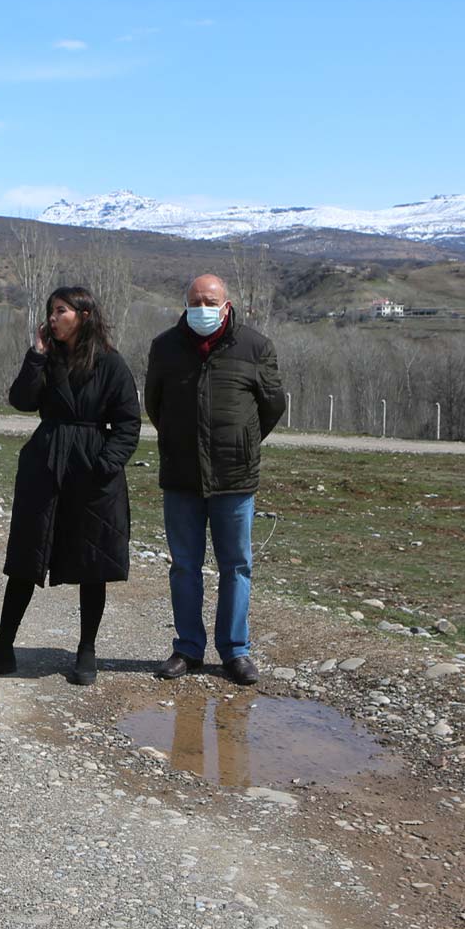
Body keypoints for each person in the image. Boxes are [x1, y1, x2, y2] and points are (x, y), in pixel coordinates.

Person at [0, 285, 140, 685]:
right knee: (26, 556)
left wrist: (105, 464)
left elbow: (128, 422)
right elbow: (21, 400)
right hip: (45, 465)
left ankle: (87, 651)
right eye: (50, 311)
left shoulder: (111, 364)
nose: (52, 318)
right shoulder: (46, 359)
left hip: (91, 470)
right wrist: (36, 354)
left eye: (61, 310)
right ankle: (3, 647)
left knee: (93, 561)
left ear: (83, 316)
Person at [144, 273, 287, 685]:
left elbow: (271, 406)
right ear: (185, 304)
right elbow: (155, 404)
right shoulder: (165, 347)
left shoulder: (255, 346)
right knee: (184, 566)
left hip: (235, 478)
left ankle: (235, 651)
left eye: (209, 301)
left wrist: (241, 440)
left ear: (226, 305)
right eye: (194, 301)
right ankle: (188, 648)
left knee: (237, 565)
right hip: (181, 477)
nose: (201, 308)